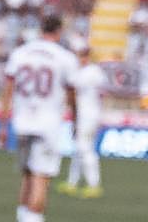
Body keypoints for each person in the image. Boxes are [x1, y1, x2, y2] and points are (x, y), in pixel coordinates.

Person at [0, 15, 79, 222]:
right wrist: (76, 121)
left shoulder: (21, 54)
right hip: (48, 123)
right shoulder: (65, 58)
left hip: (22, 120)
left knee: (27, 174)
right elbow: (72, 95)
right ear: (59, 31)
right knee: (41, 178)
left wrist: (3, 127)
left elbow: (7, 91)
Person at [58, 45, 104, 198]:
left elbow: (71, 87)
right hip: (88, 114)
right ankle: (72, 182)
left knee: (85, 149)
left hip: (87, 115)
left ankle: (94, 184)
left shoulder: (88, 73)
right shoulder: (95, 72)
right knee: (78, 149)